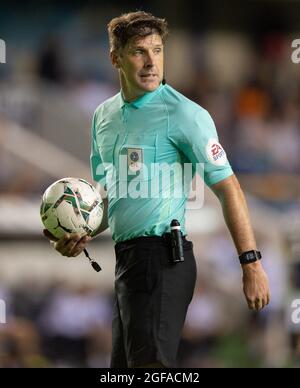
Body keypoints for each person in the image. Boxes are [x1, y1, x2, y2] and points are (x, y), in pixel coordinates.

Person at [43, 11, 270, 368]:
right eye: (139, 52)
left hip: (164, 258)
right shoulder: (103, 117)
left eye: (158, 50)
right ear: (115, 57)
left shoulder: (185, 114)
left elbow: (230, 188)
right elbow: (111, 199)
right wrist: (82, 230)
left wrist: (251, 263)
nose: (151, 62)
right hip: (126, 262)